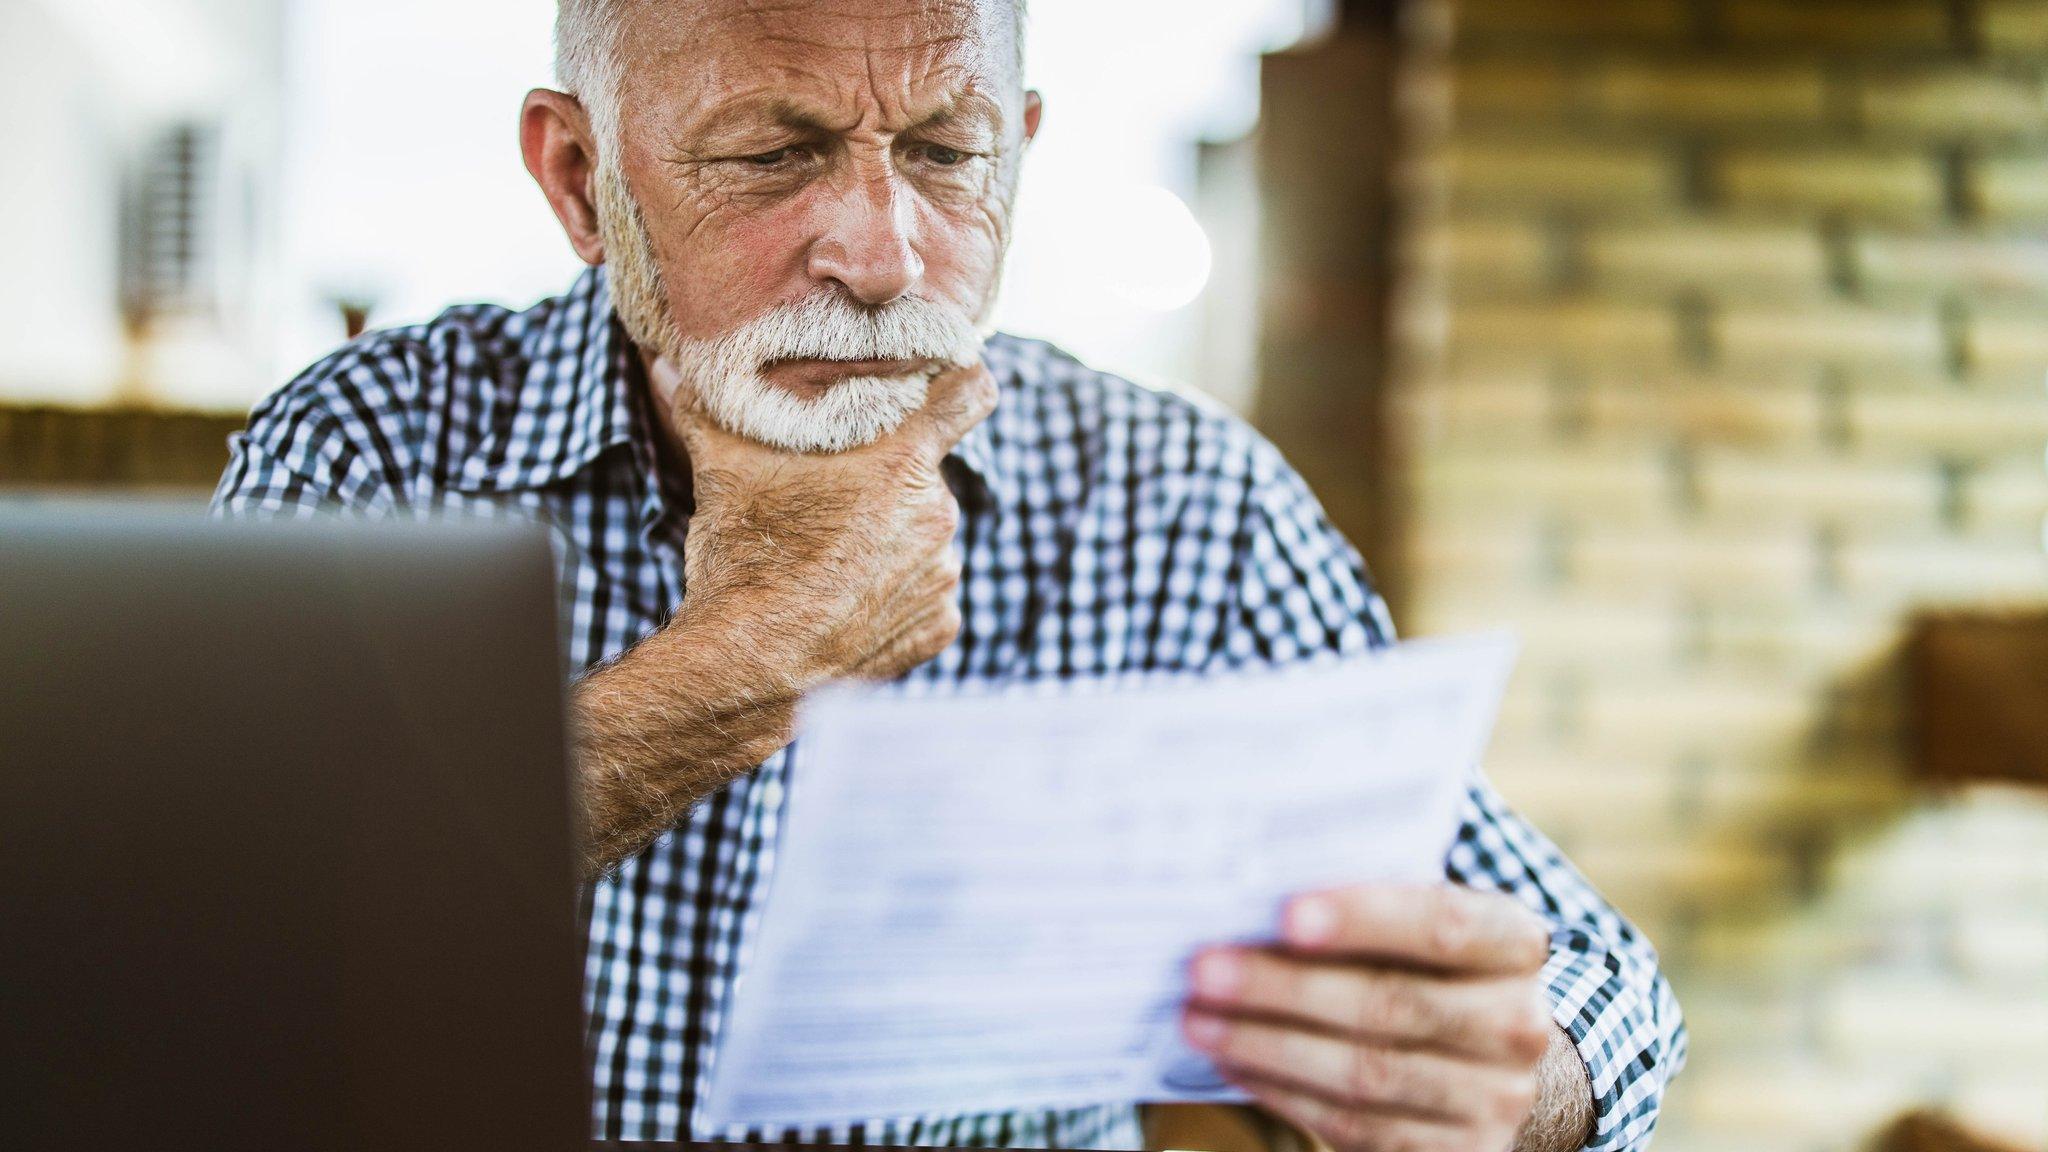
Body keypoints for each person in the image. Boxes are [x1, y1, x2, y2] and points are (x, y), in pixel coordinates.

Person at [212, 2, 1684, 1148]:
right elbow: (208, 939)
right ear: (583, 178)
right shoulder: (380, 448)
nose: (881, 252)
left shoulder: (1178, 501)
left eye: (946, 151)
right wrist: (751, 658)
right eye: (770, 155)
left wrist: (1500, 1083)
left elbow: (1603, 993)